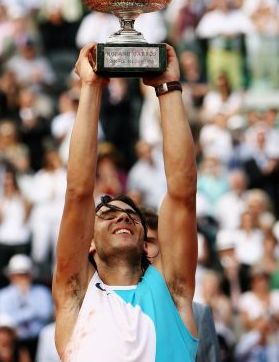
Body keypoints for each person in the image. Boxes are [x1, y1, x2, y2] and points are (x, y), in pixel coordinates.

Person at [52, 43, 199, 360]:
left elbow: (183, 194)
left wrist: (168, 87)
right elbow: (78, 191)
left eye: (132, 217)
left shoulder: (172, 292)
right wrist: (90, 87)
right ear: (88, 244)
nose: (122, 218)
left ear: (147, 245)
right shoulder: (76, 296)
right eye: (108, 215)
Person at [143, 208, 221, 362]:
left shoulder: (198, 314)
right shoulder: (108, 309)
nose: (142, 249)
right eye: (138, 242)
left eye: (149, 242)